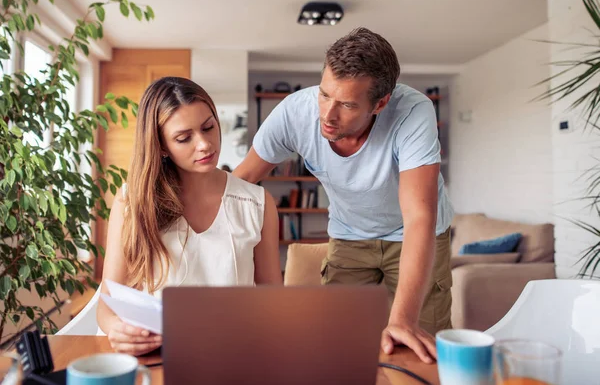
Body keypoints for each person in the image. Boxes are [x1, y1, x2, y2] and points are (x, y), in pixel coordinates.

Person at [234, 28, 454, 364]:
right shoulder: (295, 112)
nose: (327, 114)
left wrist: (402, 319)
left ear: (381, 103)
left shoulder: (413, 113)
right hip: (349, 237)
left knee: (416, 350)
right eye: (324, 95)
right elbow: (241, 184)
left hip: (416, 237)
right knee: (338, 343)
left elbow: (419, 218)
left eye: (347, 104)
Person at [97, 77, 282, 356]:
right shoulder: (131, 202)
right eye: (184, 138)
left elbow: (273, 298)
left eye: (209, 127)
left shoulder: (257, 203)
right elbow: (107, 303)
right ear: (160, 146)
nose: (205, 144)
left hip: (234, 354)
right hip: (160, 357)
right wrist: (116, 329)